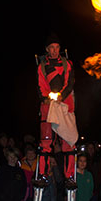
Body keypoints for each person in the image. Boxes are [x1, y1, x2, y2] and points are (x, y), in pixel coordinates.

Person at [37, 34, 78, 187]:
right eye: (51, 48)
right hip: (49, 108)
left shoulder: (68, 64)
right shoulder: (41, 66)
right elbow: (41, 86)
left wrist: (62, 96)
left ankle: (69, 176)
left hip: (65, 106)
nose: (54, 50)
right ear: (47, 49)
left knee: (68, 142)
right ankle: (42, 174)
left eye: (57, 47)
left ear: (60, 49)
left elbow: (70, 83)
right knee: (46, 142)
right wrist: (46, 98)